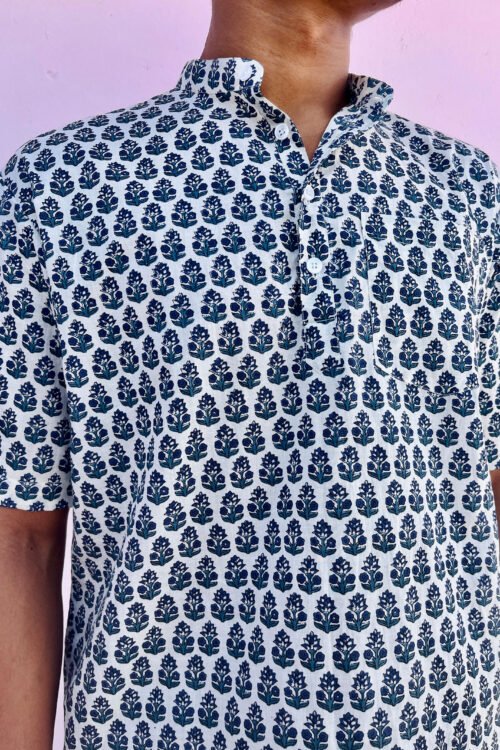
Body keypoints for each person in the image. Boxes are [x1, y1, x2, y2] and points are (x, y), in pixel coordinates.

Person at [0, 0, 498, 747]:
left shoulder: (467, 193)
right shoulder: (64, 187)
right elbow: (21, 535)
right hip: (161, 722)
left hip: (440, 721)